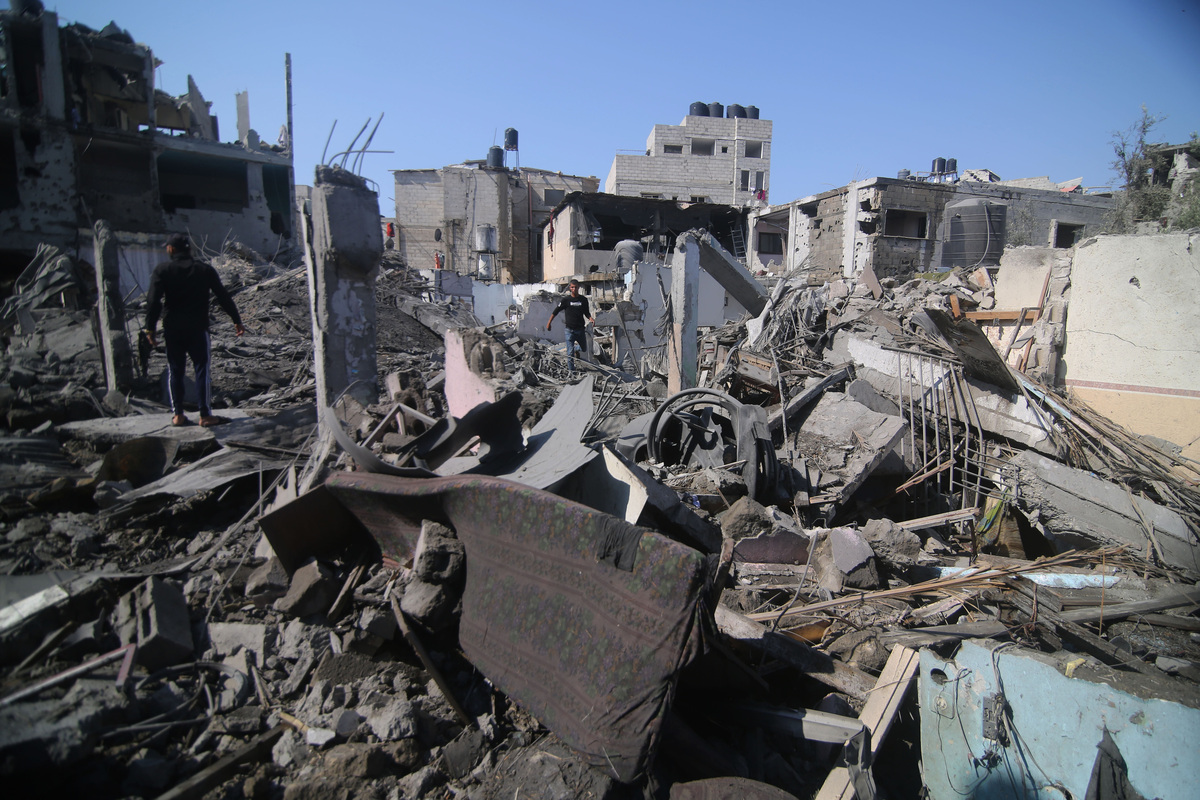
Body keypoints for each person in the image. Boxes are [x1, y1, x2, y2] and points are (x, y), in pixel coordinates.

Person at [145, 233, 244, 427]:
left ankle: (178, 415)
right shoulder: (203, 270)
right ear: (189, 249)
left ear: (171, 249)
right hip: (198, 328)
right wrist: (236, 320)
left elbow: (153, 301)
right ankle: (205, 415)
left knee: (175, 370)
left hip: (172, 329)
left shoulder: (162, 270)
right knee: (202, 370)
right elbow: (223, 296)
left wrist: (150, 328)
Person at [546, 279, 594, 374]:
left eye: (576, 287)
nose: (574, 289)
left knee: (584, 348)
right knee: (569, 354)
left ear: (578, 287)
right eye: (572, 287)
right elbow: (556, 311)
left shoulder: (583, 300)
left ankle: (576, 349)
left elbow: (586, 313)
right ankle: (571, 372)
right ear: (570, 288)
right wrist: (549, 323)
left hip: (580, 330)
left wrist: (591, 318)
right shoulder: (566, 300)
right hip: (569, 330)